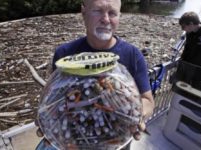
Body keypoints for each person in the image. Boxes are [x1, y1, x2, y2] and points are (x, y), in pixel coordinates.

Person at [35, 0, 155, 149]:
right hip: (75, 142)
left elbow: (148, 100)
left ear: (119, 16)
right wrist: (47, 119)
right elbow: (55, 98)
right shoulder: (64, 53)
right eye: (98, 11)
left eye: (112, 13)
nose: (105, 19)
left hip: (117, 142)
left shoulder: (133, 55)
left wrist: (135, 114)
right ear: (83, 13)